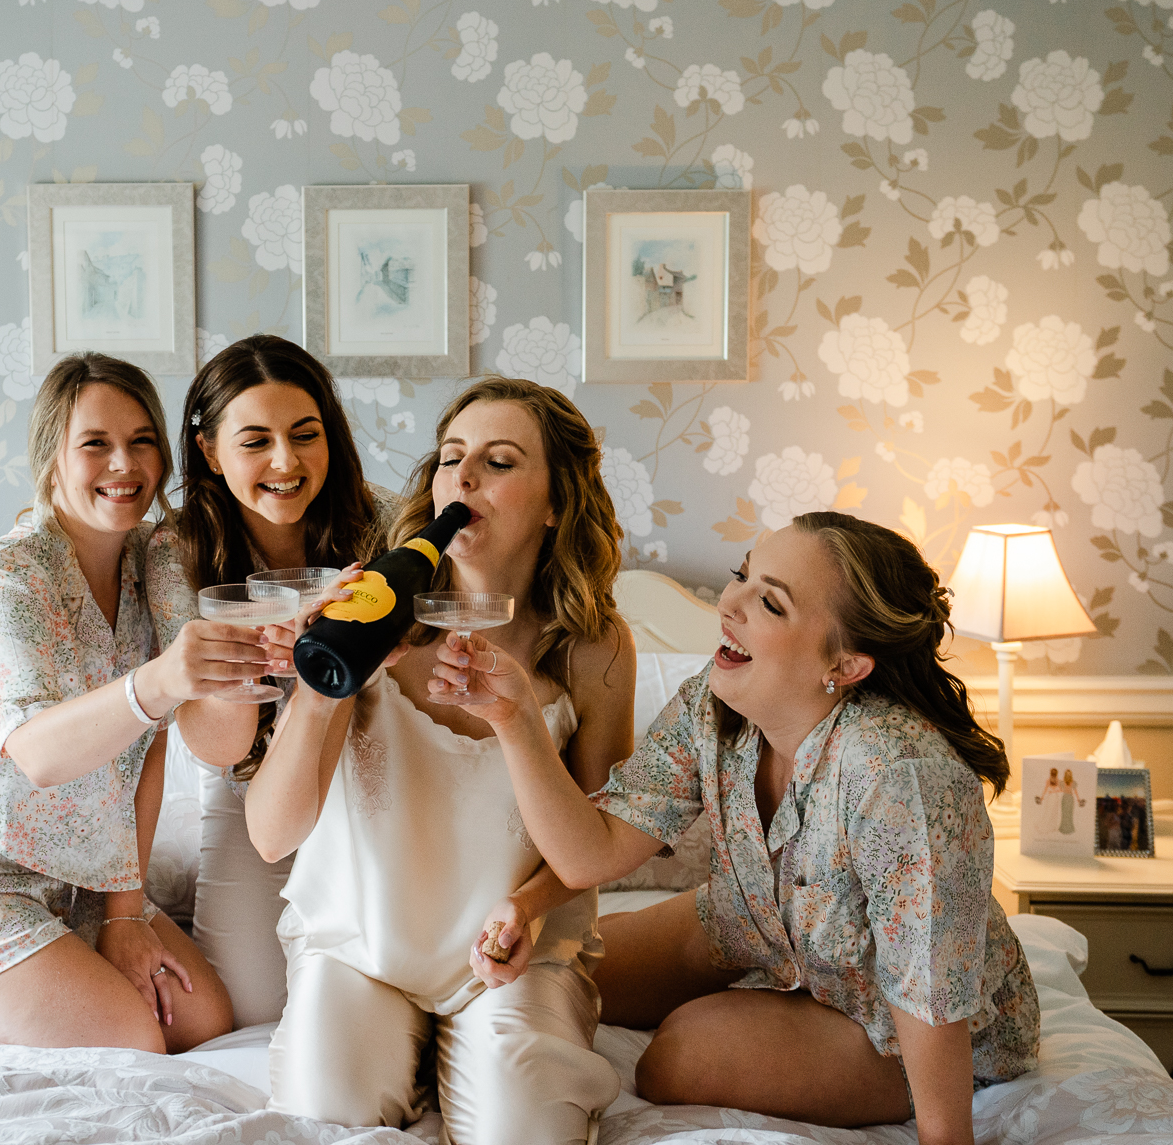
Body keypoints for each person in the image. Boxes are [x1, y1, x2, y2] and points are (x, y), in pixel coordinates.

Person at [469, 512, 1038, 1145]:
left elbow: (928, 989)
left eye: (769, 602)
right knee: (560, 969)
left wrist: (945, 1136)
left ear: (846, 666)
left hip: (891, 1009)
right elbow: (595, 848)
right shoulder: (709, 705)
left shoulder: (897, 776)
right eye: (742, 575)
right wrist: (527, 898)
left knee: (679, 1055)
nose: (730, 602)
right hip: (762, 927)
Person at [0, 353, 274, 1052]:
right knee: (130, 1037)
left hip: (74, 876)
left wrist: (126, 918)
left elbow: (152, 750)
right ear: (51, 460)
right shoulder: (2, 581)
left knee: (202, 1021)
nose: (123, 464)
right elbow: (39, 753)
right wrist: (161, 680)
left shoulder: (158, 558)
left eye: (141, 442)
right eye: (95, 444)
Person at [246, 376, 635, 1145]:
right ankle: (408, 1048)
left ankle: (450, 1045)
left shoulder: (594, 647)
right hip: (362, 944)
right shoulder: (371, 613)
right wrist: (323, 690)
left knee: (523, 1132)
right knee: (328, 1116)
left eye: (498, 461)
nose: (462, 478)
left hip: (513, 952)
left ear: (556, 501)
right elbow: (271, 834)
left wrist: (524, 909)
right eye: (451, 458)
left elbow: (603, 840)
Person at [145, 334, 393, 1027]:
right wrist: (259, 655)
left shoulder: (384, 528)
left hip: (372, 789)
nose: (286, 462)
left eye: (305, 435)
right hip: (247, 794)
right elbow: (217, 750)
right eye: (255, 441)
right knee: (255, 1011)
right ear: (208, 451)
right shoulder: (176, 554)